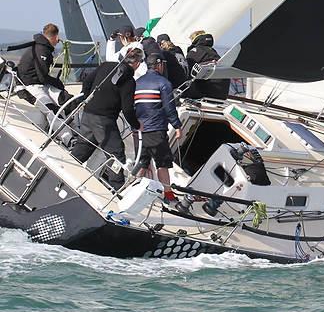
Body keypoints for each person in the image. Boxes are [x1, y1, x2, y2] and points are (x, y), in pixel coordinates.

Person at [71, 49, 142, 190]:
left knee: (84, 146)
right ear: (137, 64)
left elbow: (86, 81)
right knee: (115, 152)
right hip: (104, 120)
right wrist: (136, 125)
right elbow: (127, 109)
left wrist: (87, 99)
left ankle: (68, 169)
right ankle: (118, 188)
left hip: (88, 113)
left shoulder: (105, 66)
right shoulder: (129, 81)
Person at [134, 53, 182, 203]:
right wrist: (177, 126)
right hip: (155, 129)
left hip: (139, 130)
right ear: (160, 65)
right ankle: (168, 195)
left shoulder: (137, 82)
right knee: (162, 163)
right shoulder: (163, 83)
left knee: (143, 161)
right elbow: (169, 107)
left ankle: (132, 190)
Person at [16, 23, 70, 115]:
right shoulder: (43, 50)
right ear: (56, 37)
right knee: (52, 111)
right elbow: (42, 77)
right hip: (30, 86)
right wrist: (58, 83)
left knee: (66, 99)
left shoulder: (39, 46)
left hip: (34, 83)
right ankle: (63, 128)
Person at [184, 30, 230, 100]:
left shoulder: (195, 51)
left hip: (205, 92)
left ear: (194, 40)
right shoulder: (213, 51)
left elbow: (188, 71)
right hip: (222, 93)